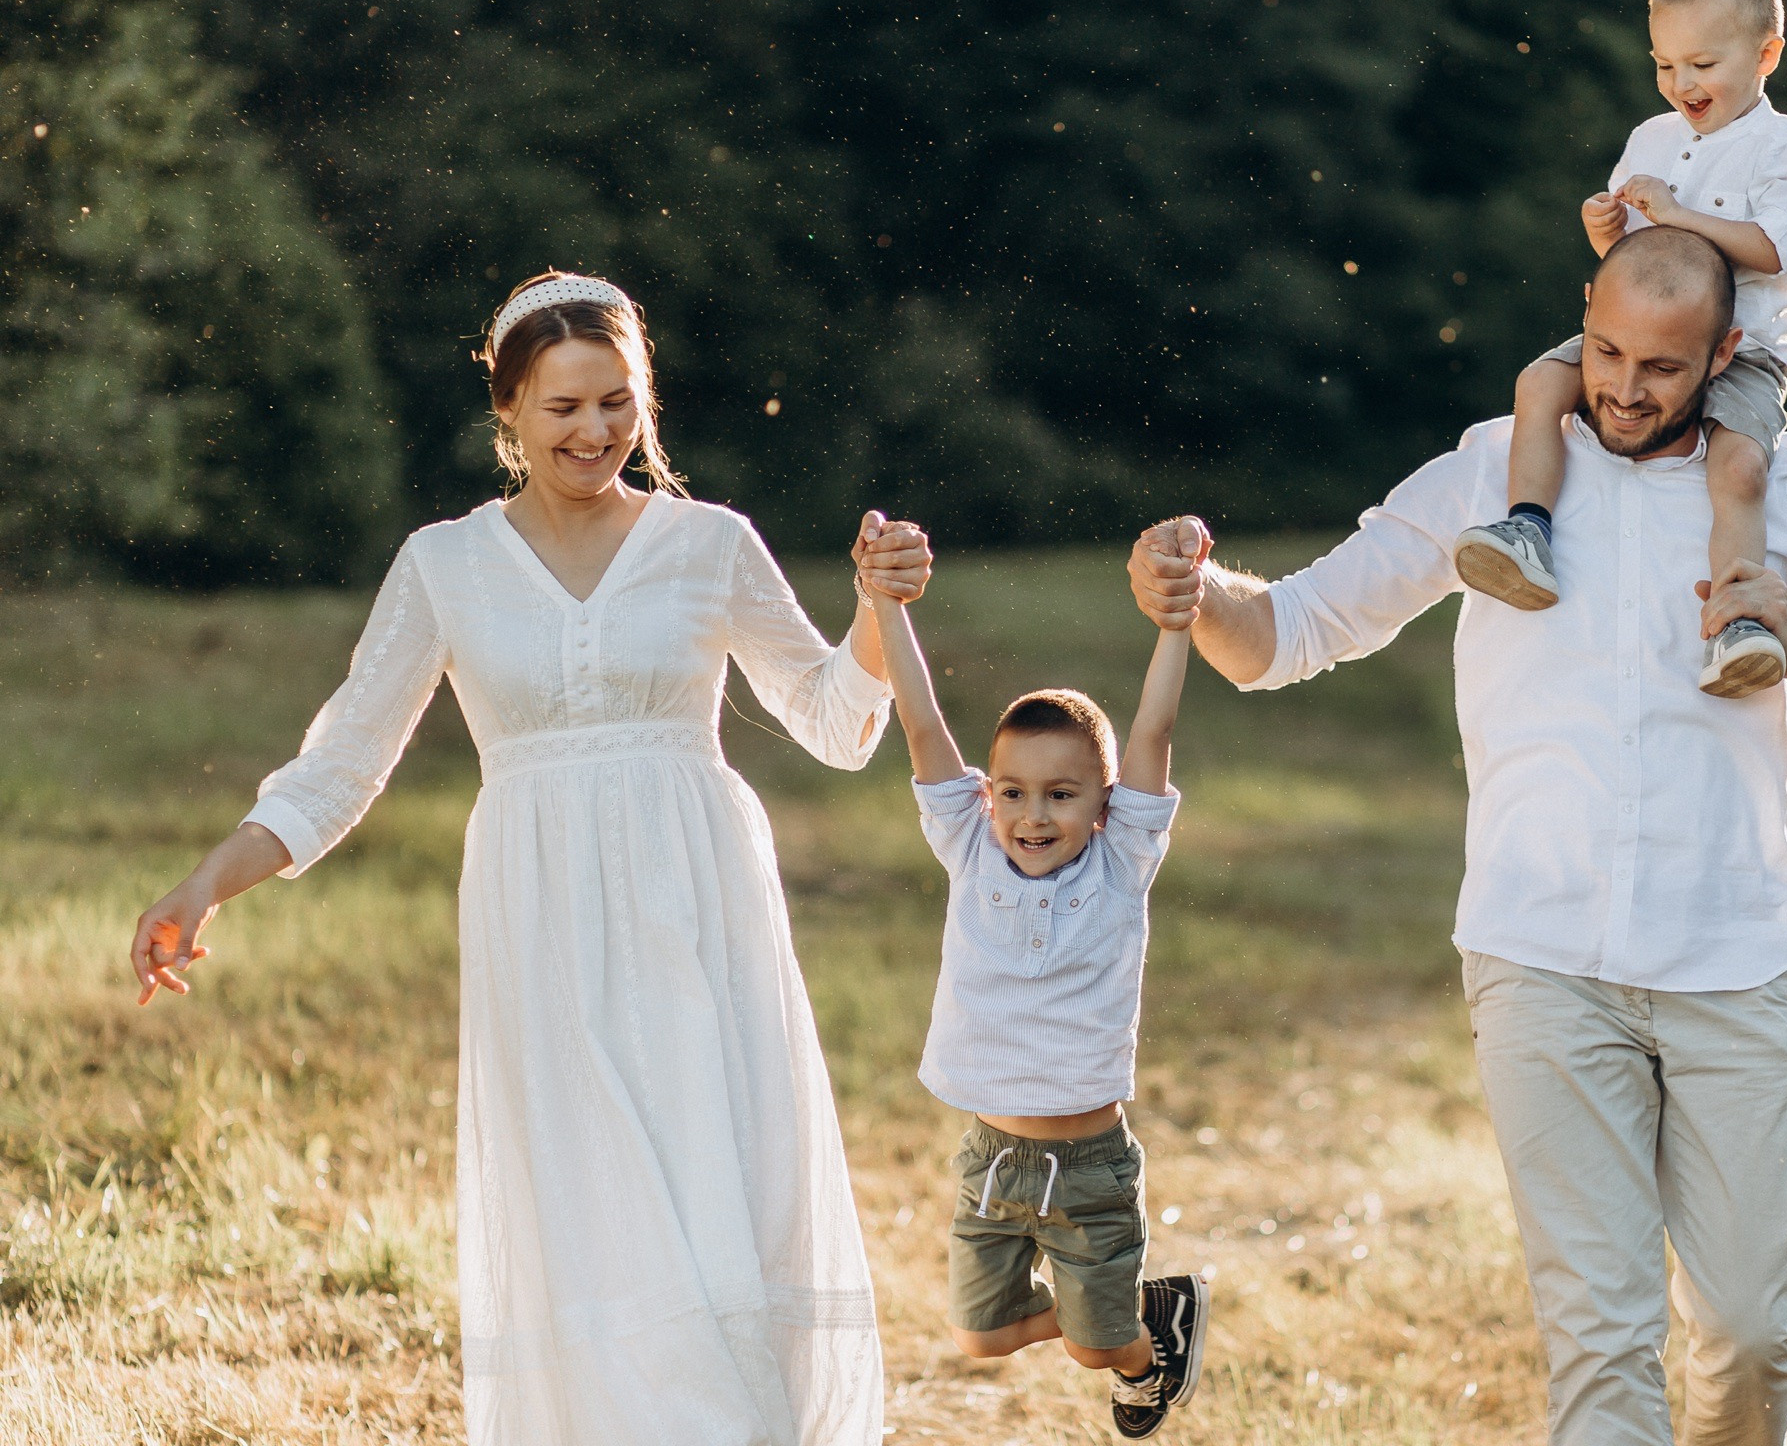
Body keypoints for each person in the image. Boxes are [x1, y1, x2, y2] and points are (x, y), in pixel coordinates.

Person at [1129, 227, 1787, 1445]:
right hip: (1540, 964)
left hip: (1731, 964)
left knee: (1755, 1330)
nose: (1627, 387)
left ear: (1727, 354)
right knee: (1602, 1338)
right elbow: (1289, 633)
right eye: (1609, 349)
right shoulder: (1491, 473)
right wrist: (1196, 591)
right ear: (1583, 314)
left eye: (1666, 368)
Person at [130, 272, 929, 1446]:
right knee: (594, 1195)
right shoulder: (444, 566)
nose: (596, 432)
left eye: (617, 404)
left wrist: (873, 610)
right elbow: (342, 764)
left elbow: (834, 719)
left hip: (698, 895)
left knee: (719, 1174)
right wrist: (208, 880)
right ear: (508, 415)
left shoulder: (708, 544)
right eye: (562, 409)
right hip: (540, 910)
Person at [860, 525, 1210, 1440]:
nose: (1032, 813)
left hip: (1090, 1165)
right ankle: (1124, 1303)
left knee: (1101, 1352)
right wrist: (887, 607)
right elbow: (921, 722)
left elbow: (1155, 728)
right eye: (1012, 790)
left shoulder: (1122, 862)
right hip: (992, 1162)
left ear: (1105, 804)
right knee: (982, 1338)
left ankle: (1141, 1336)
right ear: (987, 797)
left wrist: (1177, 622)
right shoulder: (970, 849)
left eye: (1061, 794)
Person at [1452, 0, 1787, 702]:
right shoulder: (1651, 140)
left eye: (1702, 64)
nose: (1681, 84)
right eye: (1664, 65)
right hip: (1638, 334)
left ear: (1767, 54)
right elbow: (1639, 259)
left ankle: (1736, 621)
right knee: (1539, 382)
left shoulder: (1786, 151)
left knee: (1740, 469)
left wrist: (1681, 214)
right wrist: (1606, 235)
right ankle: (1528, 530)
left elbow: (1769, 248)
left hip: (1741, 348)